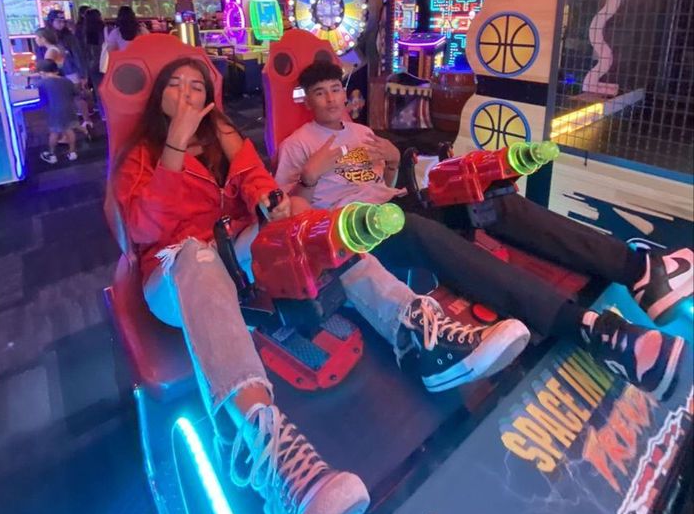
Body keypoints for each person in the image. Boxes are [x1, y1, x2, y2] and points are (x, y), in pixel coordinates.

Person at [112, 57, 528, 514]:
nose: (188, 94)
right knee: (196, 256)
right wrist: (176, 139)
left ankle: (420, 333)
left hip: (236, 249)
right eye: (176, 85)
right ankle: (271, 458)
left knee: (310, 222)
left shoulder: (222, 136)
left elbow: (255, 180)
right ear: (160, 99)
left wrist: (271, 203)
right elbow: (146, 224)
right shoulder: (143, 155)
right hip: (175, 268)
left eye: (198, 86)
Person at [276, 61, 692, 402]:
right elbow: (287, 217)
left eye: (335, 89)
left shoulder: (362, 131)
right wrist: (312, 176)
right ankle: (589, 329)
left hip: (398, 201)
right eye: (320, 93)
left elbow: (383, 180)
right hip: (358, 229)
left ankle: (639, 269)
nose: (331, 99)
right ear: (308, 100)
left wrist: (388, 161)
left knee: (490, 202)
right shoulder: (297, 145)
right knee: (430, 235)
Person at [45, 9, 93, 134]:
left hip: (69, 71)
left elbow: (78, 56)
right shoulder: (52, 37)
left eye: (63, 21)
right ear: (51, 22)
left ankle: (85, 121)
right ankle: (70, 127)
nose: (61, 24)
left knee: (77, 97)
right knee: (63, 100)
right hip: (58, 73)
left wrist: (83, 75)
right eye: (58, 21)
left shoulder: (68, 37)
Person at [36, 59, 78, 164]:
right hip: (69, 109)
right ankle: (72, 152)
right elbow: (75, 94)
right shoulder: (67, 81)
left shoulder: (41, 83)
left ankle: (52, 154)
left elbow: (40, 99)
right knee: (69, 130)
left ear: (42, 72)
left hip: (54, 111)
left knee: (54, 132)